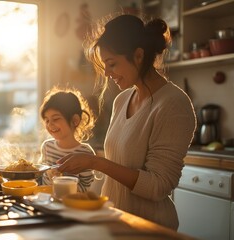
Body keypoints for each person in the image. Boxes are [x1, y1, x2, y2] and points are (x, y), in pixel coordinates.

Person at [56, 14, 196, 230]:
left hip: (149, 229)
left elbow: (158, 186)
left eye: (112, 64)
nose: (106, 73)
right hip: (115, 222)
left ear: (139, 56)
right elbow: (120, 163)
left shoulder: (173, 104)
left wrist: (94, 162)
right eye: (104, 65)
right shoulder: (122, 100)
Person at [39, 87, 96, 192]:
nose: (50, 124)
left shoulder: (85, 153)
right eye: (46, 120)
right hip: (47, 201)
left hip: (72, 204)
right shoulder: (47, 147)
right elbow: (42, 178)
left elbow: (87, 187)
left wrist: (63, 183)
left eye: (55, 119)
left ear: (75, 120)